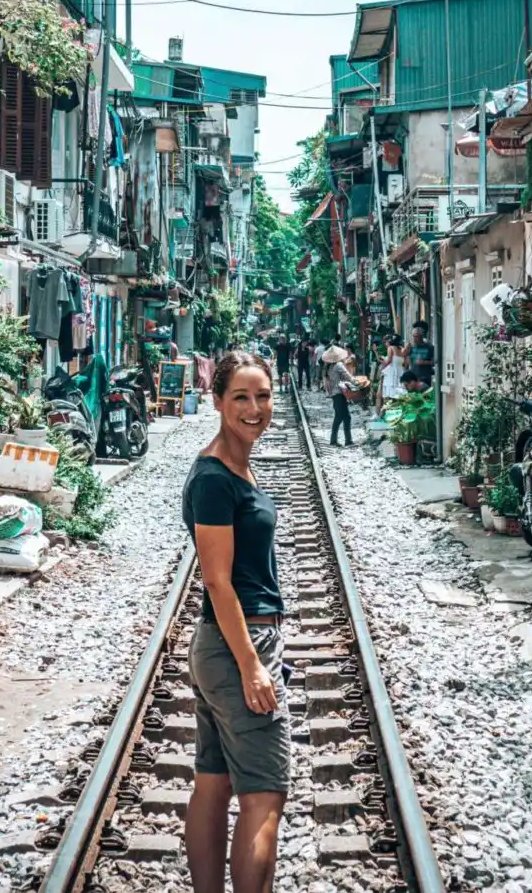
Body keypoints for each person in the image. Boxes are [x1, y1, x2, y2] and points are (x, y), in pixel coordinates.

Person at [182, 352, 289, 893]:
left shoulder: (235, 466)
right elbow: (217, 581)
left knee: (215, 782)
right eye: (241, 397)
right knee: (265, 794)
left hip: (223, 646)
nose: (255, 408)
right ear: (218, 401)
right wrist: (252, 666)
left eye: (263, 396)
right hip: (237, 645)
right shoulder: (215, 479)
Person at [322, 344, 355, 447]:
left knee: (345, 417)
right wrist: (357, 382)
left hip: (335, 394)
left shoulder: (329, 367)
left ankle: (347, 440)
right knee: (340, 417)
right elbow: (348, 376)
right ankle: (335, 440)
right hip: (340, 393)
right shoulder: (339, 365)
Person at [380, 334, 406, 403]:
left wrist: (382, 368)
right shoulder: (402, 349)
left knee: (390, 394)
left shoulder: (390, 348)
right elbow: (405, 363)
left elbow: (389, 361)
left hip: (392, 373)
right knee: (400, 394)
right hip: (401, 372)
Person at [407, 321, 434, 386]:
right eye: (413, 336)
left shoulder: (429, 347)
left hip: (425, 379)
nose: (414, 339)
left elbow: (434, 362)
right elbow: (408, 362)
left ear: (421, 336)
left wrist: (424, 362)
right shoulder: (412, 348)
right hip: (413, 379)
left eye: (416, 336)